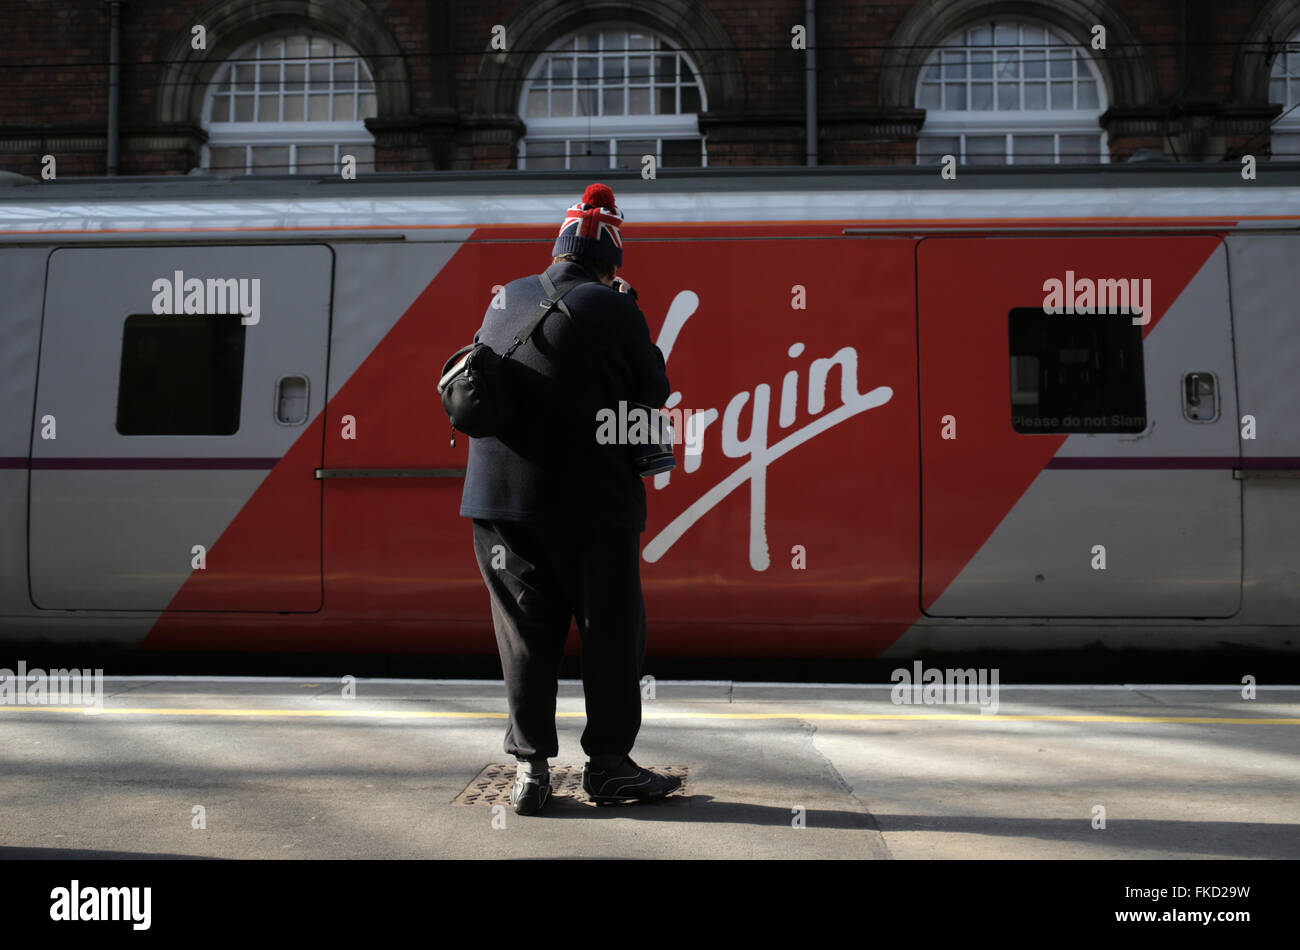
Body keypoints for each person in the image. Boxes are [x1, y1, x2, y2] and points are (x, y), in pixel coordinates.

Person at [460, 183, 681, 815]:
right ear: (610, 255)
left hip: (499, 503)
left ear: (558, 248)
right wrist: (628, 311)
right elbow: (654, 387)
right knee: (610, 631)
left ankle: (531, 772)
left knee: (525, 634)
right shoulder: (614, 307)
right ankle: (608, 766)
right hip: (591, 507)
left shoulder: (506, 297)